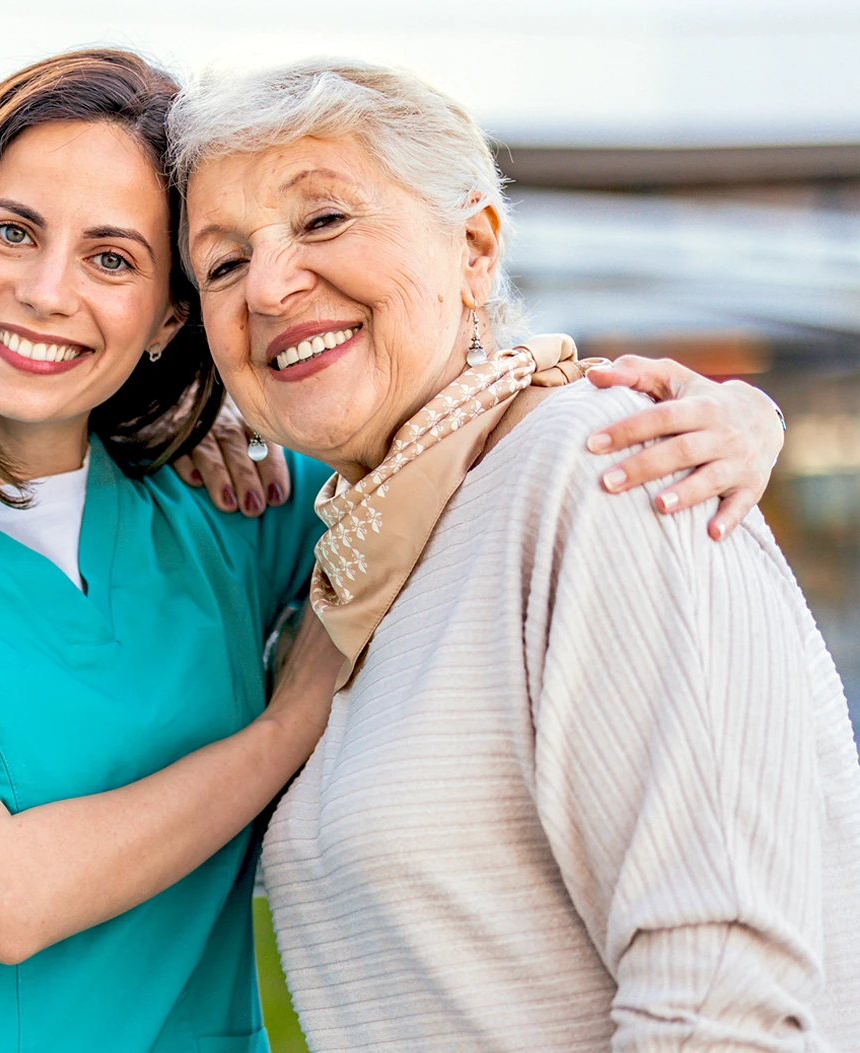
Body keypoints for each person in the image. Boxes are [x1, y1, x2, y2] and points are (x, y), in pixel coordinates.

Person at [0, 47, 787, 1053]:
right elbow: (4, 898)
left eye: (112, 257)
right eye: (11, 232)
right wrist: (291, 722)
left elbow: (454, 428)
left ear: (164, 317)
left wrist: (733, 414)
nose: (49, 291)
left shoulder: (237, 507)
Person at [171, 57, 860, 1051]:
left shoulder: (609, 471)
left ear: (474, 248)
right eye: (223, 263)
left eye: (323, 220)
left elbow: (719, 1002)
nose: (271, 286)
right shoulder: (362, 549)